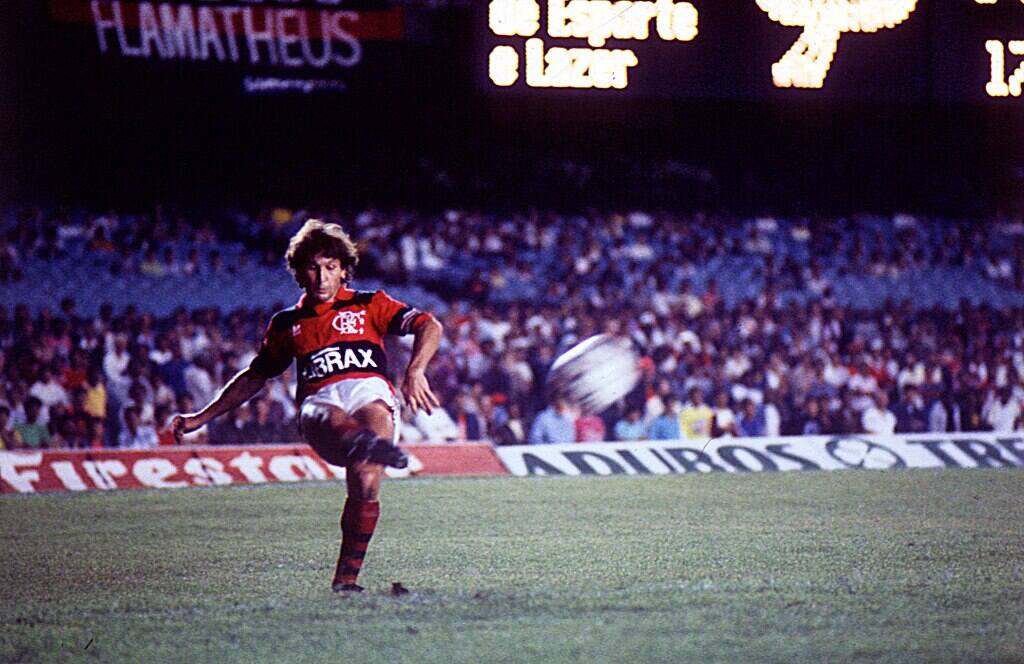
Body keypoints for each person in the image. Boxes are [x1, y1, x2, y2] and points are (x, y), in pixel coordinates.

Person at [171, 220, 442, 594]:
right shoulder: (287, 323)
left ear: (345, 270)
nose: (321, 276)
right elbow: (255, 376)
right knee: (323, 416)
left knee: (365, 480)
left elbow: (429, 325)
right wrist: (201, 417)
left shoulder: (370, 304)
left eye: (330, 267)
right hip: (320, 398)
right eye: (313, 267)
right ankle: (365, 444)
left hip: (369, 391)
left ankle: (346, 581)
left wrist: (415, 370)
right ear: (299, 273)